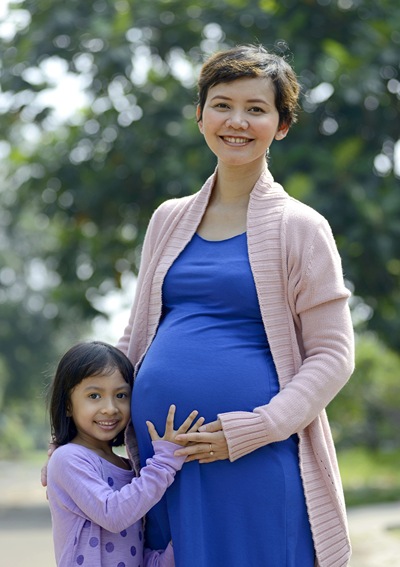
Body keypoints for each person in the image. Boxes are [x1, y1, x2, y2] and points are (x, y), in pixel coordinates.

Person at [116, 44, 355, 567]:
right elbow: (135, 339)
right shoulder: (168, 219)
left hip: (256, 461)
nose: (237, 121)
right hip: (166, 465)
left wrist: (255, 429)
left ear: (282, 124)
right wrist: (73, 435)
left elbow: (334, 356)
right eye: (222, 104)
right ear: (200, 115)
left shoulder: (302, 227)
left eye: (256, 108)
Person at [46, 340, 201, 567]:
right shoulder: (67, 458)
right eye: (94, 396)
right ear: (68, 405)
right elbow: (114, 515)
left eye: (121, 395)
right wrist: (166, 462)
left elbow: (129, 550)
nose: (110, 408)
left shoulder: (128, 467)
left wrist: (178, 546)